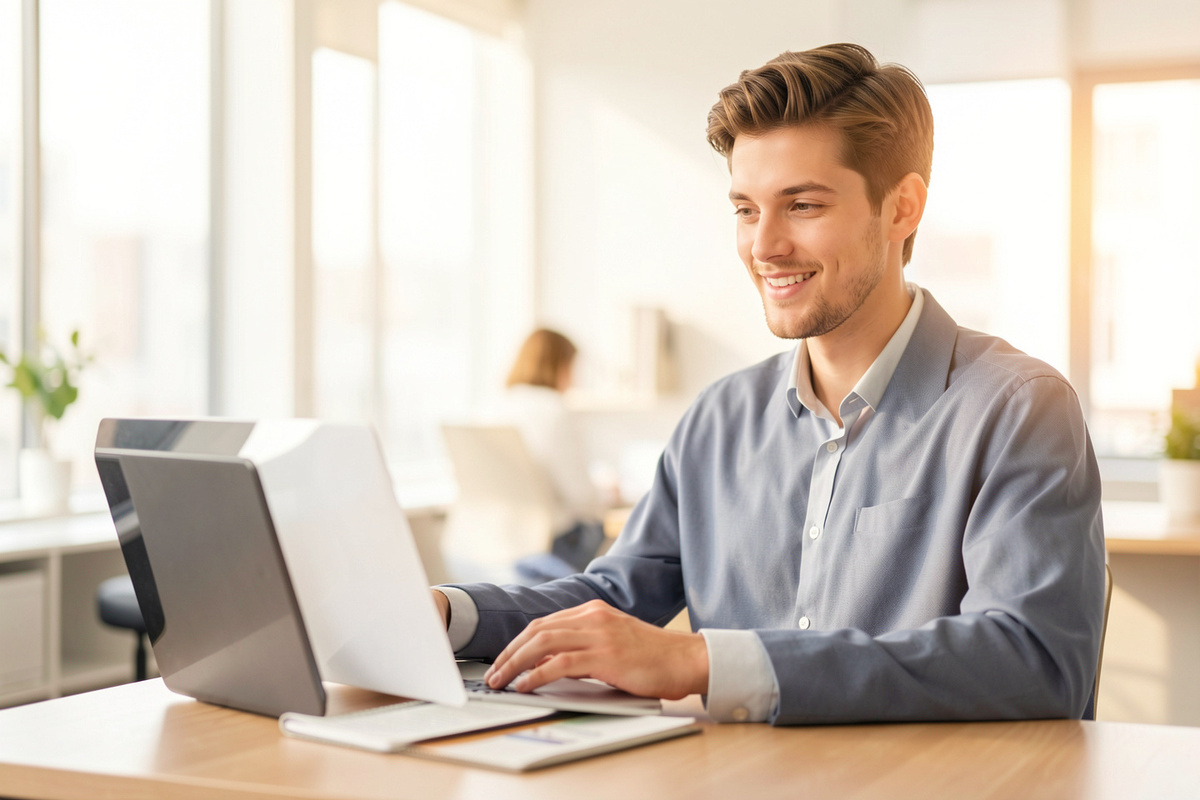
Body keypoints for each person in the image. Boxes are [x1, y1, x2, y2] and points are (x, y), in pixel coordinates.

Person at [432, 43, 1106, 725]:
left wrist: (702, 661)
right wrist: (447, 614)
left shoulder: (1018, 409)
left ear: (902, 208)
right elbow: (616, 594)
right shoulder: (718, 419)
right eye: (746, 210)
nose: (764, 246)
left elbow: (1033, 658)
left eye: (802, 205)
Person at [492, 328, 606, 578]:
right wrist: (606, 493)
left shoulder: (494, 406)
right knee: (607, 532)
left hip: (495, 542)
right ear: (561, 366)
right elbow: (581, 495)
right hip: (549, 547)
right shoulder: (555, 411)